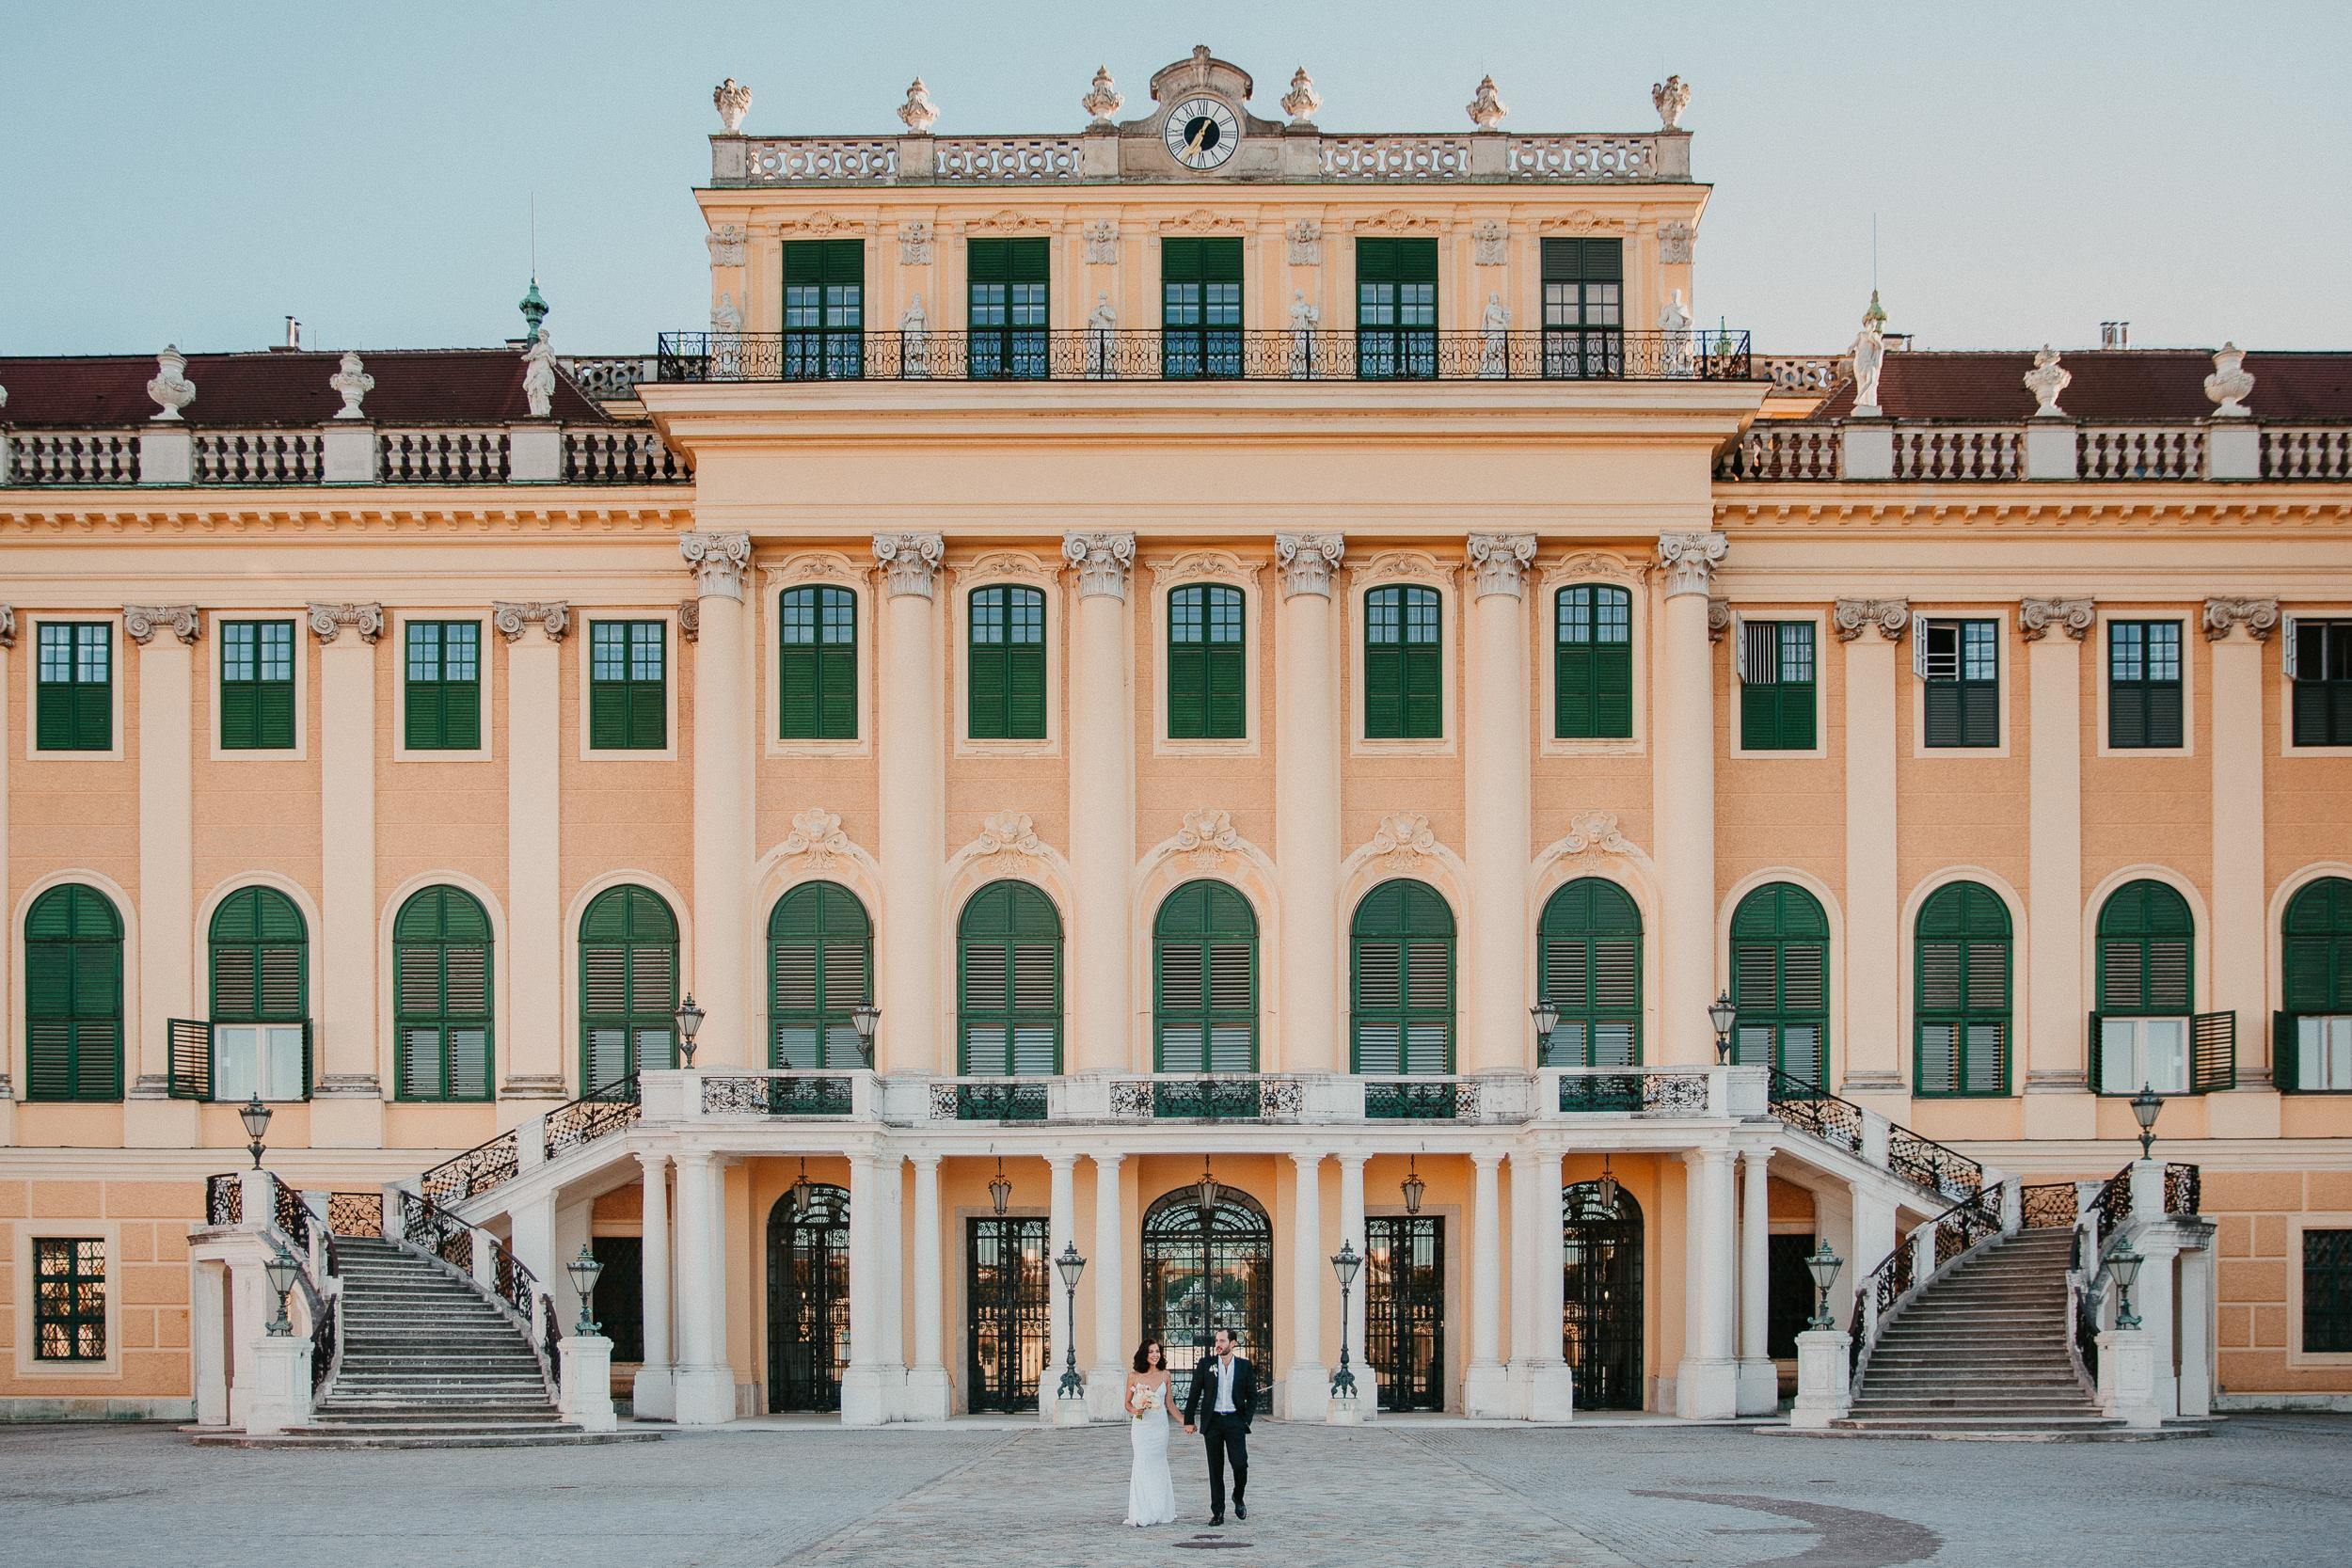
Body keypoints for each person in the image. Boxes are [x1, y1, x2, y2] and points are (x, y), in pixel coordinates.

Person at [1180, 1327, 1256, 1526]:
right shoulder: (1206, 1364)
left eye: (1222, 1341)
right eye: (1216, 1341)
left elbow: (1252, 1395)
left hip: (1234, 1422)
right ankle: (1218, 1512)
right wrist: (1188, 1420)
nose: (1218, 1344)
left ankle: (1238, 1497)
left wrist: (1246, 1420)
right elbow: (1194, 1392)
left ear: (1233, 1344)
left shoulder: (1244, 1366)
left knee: (1240, 1464)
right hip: (1213, 1422)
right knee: (1215, 1468)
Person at [1123, 1339, 1179, 1528]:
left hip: (1160, 1427)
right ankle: (1141, 1511)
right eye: (1151, 1351)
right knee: (1142, 1463)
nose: (1155, 1355)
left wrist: (1185, 1422)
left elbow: (1170, 1403)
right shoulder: (1133, 1376)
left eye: (1157, 1351)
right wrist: (1135, 1411)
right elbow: (1127, 1403)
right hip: (1141, 1427)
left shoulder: (1165, 1375)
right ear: (1144, 1354)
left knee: (1158, 1464)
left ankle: (1160, 1510)